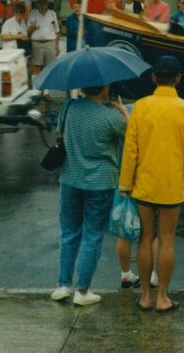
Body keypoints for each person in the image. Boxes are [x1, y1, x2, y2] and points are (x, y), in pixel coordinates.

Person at [119, 56, 184, 312]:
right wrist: (180, 169)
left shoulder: (141, 107)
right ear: (178, 79)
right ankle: (162, 297)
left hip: (143, 183)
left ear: (154, 78)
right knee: (167, 240)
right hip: (171, 184)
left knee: (146, 238)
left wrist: (125, 184)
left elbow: (130, 150)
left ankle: (145, 296)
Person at [50, 85, 129, 306]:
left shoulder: (68, 108)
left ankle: (62, 285)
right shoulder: (111, 117)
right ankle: (83, 291)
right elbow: (132, 136)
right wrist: (123, 113)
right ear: (104, 89)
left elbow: (60, 135)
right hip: (100, 183)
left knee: (69, 233)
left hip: (70, 179)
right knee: (92, 236)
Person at [27, 0, 60, 76]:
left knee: (50, 67)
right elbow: (28, 31)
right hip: (37, 44)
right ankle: (36, 88)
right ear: (37, 4)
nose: (42, 5)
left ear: (47, 4)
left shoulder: (52, 13)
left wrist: (57, 47)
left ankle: (49, 87)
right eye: (40, 3)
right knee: (36, 67)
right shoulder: (32, 13)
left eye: (44, 3)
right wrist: (32, 26)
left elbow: (57, 32)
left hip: (50, 43)